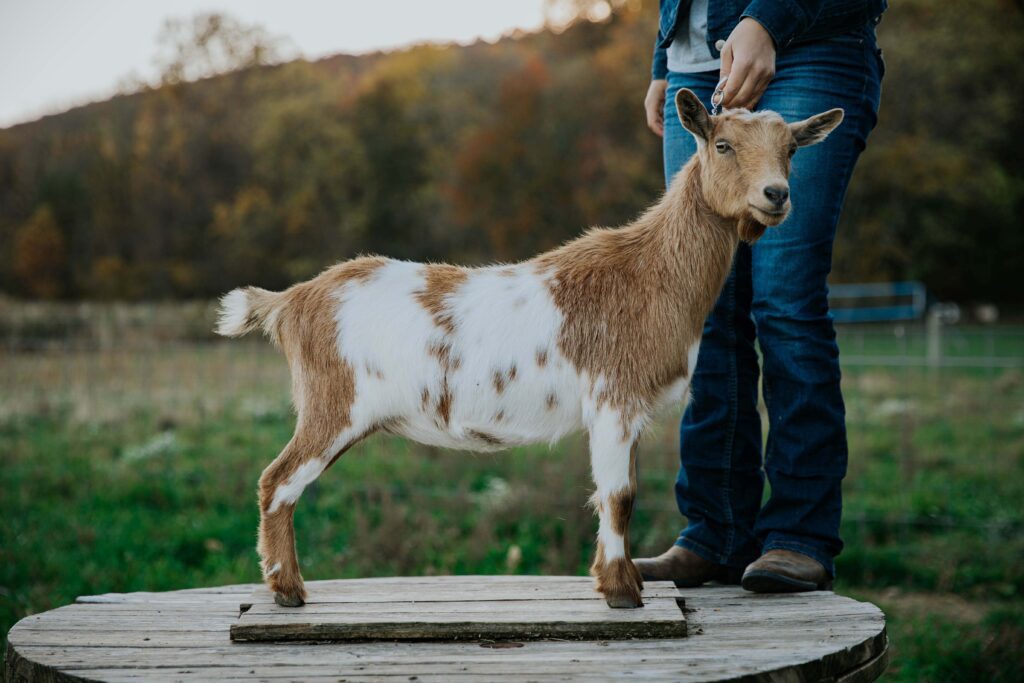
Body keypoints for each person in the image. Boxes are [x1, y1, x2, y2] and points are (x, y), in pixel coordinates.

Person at [634, 0, 886, 592]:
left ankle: (800, 535)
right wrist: (663, 57)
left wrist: (768, 20)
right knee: (709, 311)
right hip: (695, 66)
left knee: (785, 302)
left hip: (806, 48)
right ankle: (714, 532)